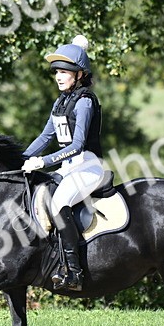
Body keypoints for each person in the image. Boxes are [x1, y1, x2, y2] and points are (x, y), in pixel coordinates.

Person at [21, 35, 104, 292]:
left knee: (59, 203)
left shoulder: (85, 102)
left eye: (65, 72)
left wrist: (43, 162)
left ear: (79, 74)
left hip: (88, 165)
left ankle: (74, 272)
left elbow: (77, 145)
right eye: (57, 71)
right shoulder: (60, 102)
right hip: (68, 167)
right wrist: (20, 160)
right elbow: (46, 137)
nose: (59, 76)